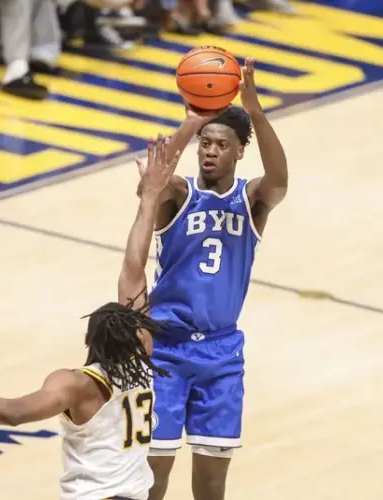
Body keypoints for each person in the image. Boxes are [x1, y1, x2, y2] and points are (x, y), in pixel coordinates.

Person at [0, 135, 183, 500]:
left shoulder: (76, 385)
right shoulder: (143, 358)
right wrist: (150, 196)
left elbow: (12, 413)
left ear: (89, 342)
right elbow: (134, 268)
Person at [136, 57, 289, 500]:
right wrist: (190, 123)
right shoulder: (179, 194)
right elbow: (152, 186)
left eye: (221, 144)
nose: (209, 150)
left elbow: (280, 181)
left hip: (222, 354)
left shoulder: (253, 200)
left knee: (211, 484)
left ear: (241, 150)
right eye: (205, 142)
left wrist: (257, 113)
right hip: (165, 347)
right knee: (150, 477)